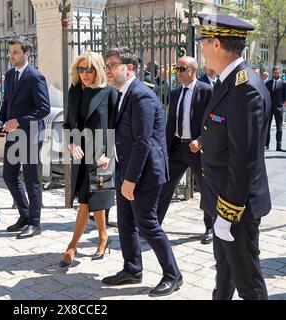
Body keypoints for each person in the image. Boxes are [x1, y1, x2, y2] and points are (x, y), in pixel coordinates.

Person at [197, 13, 271, 300]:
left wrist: (227, 215)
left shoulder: (245, 89)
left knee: (249, 284)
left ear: (216, 44)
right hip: (222, 201)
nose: (201, 49)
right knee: (225, 274)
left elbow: (244, 161)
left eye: (204, 42)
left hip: (236, 208)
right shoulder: (228, 84)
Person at [101, 47, 182, 297]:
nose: (108, 69)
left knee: (148, 225)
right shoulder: (122, 94)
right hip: (126, 169)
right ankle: (132, 268)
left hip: (144, 174)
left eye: (113, 64)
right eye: (107, 65)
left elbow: (143, 141)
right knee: (125, 224)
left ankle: (173, 275)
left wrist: (130, 179)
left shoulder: (141, 95)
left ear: (130, 68)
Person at [59, 51, 118, 268]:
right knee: (94, 198)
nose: (85, 74)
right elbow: (67, 125)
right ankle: (103, 237)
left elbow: (115, 128)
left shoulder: (109, 93)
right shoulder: (74, 92)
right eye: (81, 69)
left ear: (98, 70)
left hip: (100, 157)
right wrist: (71, 143)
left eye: (90, 69)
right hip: (79, 156)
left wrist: (108, 155)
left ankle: (72, 246)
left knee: (87, 199)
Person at [0, 37, 50, 239]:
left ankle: (35, 224)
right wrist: (0, 122)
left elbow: (44, 109)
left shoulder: (35, 77)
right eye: (10, 52)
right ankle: (25, 215)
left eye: (15, 52)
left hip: (32, 134)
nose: (11, 55)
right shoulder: (9, 75)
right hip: (13, 134)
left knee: (32, 180)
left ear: (27, 53)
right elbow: (6, 103)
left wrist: (18, 121)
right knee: (9, 176)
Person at [156, 56, 214, 244]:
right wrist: (165, 147)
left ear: (193, 70)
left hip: (198, 149)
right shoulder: (175, 93)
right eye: (176, 69)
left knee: (206, 189)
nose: (178, 73)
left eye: (182, 69)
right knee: (165, 186)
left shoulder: (207, 91)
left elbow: (214, 121)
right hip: (178, 148)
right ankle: (154, 226)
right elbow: (171, 122)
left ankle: (210, 227)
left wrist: (202, 140)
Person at [265, 66, 286, 151]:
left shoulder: (284, 84)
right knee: (267, 127)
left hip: (279, 108)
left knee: (279, 128)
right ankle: (266, 145)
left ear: (280, 73)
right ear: (272, 73)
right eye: (274, 73)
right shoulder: (268, 83)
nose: (276, 74)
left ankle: (279, 146)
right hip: (269, 108)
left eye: (277, 73)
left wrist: (282, 104)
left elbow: (285, 96)